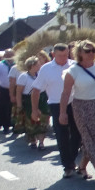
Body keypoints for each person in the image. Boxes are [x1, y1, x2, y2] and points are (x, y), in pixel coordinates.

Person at [59, 41, 95, 183]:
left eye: (93, 50)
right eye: (88, 51)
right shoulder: (72, 71)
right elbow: (65, 93)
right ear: (79, 53)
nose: (91, 53)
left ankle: (82, 166)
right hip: (81, 107)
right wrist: (62, 112)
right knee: (88, 138)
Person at [31, 43, 81, 179]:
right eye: (60, 56)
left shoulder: (74, 65)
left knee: (77, 134)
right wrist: (34, 110)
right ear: (53, 54)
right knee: (61, 135)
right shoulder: (46, 69)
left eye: (66, 55)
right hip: (56, 105)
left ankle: (72, 158)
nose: (64, 58)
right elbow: (35, 90)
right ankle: (68, 165)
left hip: (75, 103)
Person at [16, 56, 49, 147]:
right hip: (28, 100)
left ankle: (41, 142)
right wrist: (19, 105)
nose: (40, 65)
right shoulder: (23, 76)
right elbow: (19, 92)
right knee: (30, 121)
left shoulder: (41, 75)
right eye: (38, 63)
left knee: (43, 119)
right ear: (32, 65)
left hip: (42, 99)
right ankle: (33, 139)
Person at [0, 49, 15, 134]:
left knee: (13, 108)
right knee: (4, 108)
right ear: (5, 56)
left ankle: (14, 124)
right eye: (8, 55)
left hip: (15, 89)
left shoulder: (17, 65)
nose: (9, 57)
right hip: (3, 89)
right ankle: (5, 125)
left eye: (11, 55)